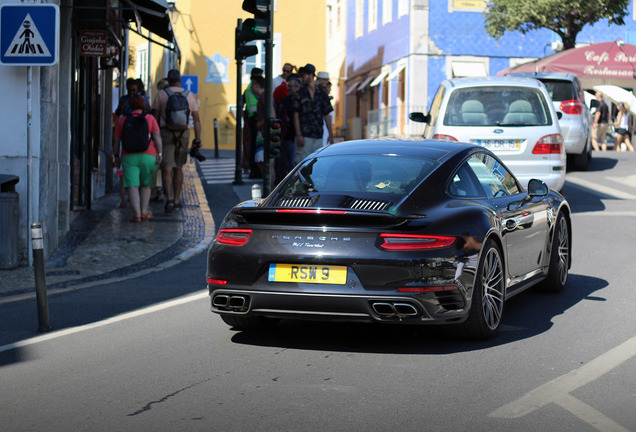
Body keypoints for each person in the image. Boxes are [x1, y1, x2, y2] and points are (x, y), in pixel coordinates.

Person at [151, 69, 201, 213]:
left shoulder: (161, 94)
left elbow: (153, 118)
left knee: (166, 167)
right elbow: (196, 120)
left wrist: (153, 138)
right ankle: (178, 199)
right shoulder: (189, 95)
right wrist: (197, 139)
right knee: (179, 167)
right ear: (180, 80)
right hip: (183, 133)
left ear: (168, 79)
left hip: (165, 132)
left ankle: (169, 199)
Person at [113, 95, 162, 222]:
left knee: (132, 186)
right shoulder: (150, 118)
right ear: (144, 105)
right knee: (147, 186)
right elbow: (157, 137)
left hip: (128, 156)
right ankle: (145, 211)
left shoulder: (122, 120)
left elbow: (117, 140)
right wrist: (160, 154)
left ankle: (137, 215)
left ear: (130, 105)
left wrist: (116, 156)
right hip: (149, 156)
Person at [292, 63, 334, 163]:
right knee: (302, 164)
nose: (302, 78)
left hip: (318, 135)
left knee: (316, 165)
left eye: (304, 75)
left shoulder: (322, 93)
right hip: (304, 135)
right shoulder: (299, 93)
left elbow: (327, 114)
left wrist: (331, 134)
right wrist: (298, 134)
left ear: (311, 75)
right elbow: (295, 115)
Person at [273, 73, 301, 183]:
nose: (288, 88)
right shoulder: (285, 101)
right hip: (287, 137)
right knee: (288, 163)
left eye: (290, 86)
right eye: (288, 86)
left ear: (297, 87)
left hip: (294, 136)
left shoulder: (299, 100)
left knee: (293, 163)